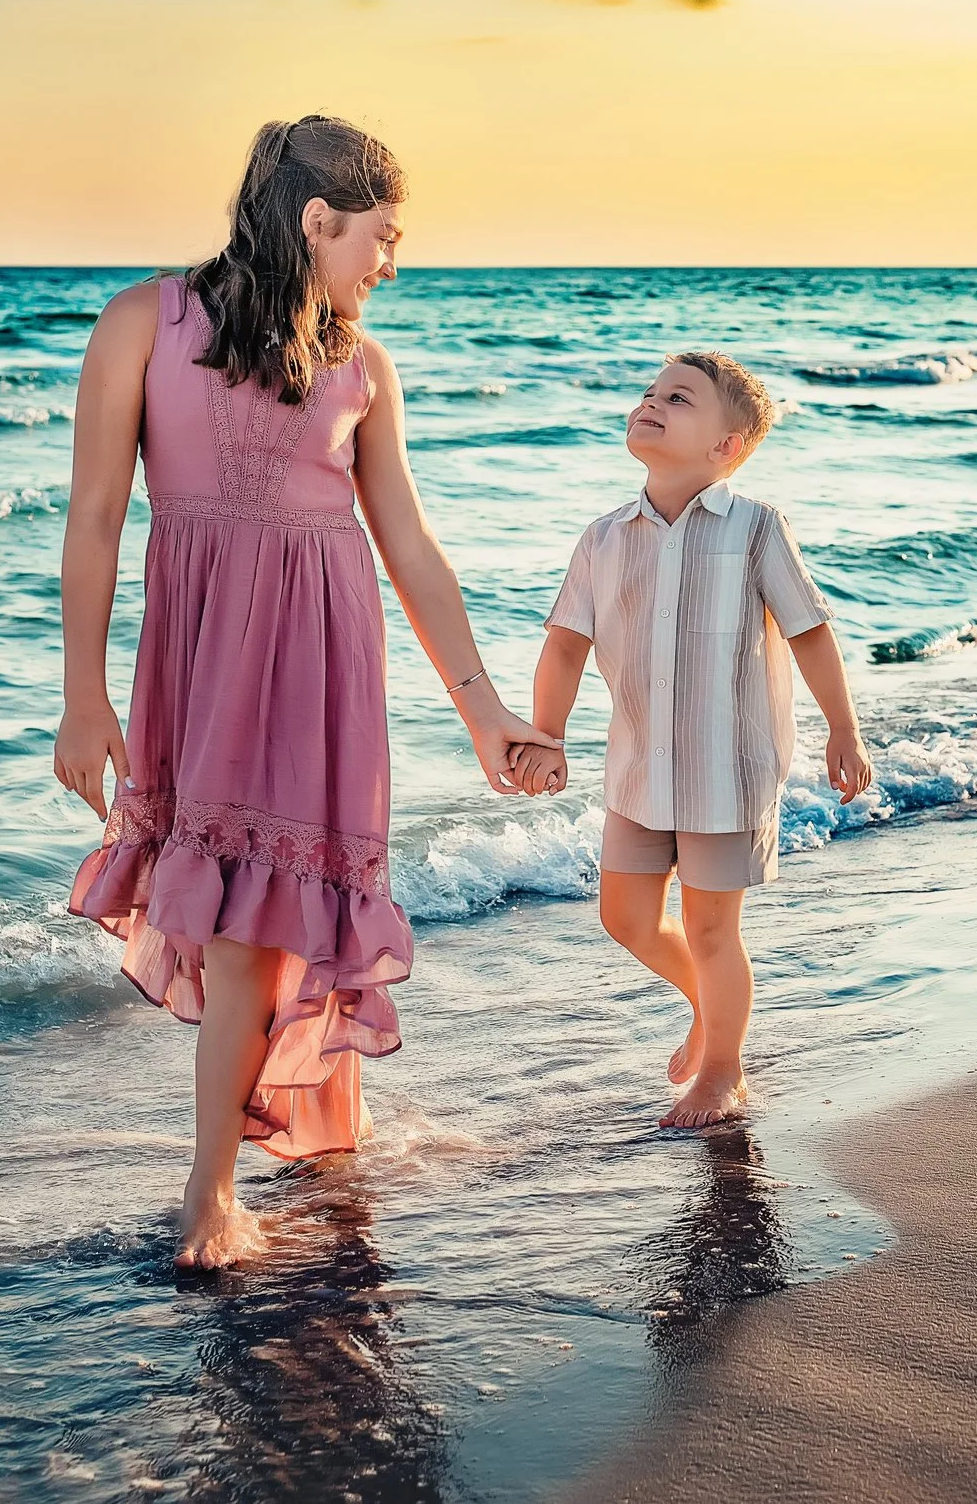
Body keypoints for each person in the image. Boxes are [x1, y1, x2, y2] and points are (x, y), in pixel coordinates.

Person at [52, 116, 558, 1268]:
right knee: (239, 923)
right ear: (316, 221)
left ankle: (281, 1146)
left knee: (275, 917)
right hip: (207, 657)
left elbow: (411, 548)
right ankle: (214, 1188)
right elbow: (94, 518)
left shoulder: (362, 366)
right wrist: (83, 696)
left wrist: (486, 710)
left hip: (325, 664)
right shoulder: (143, 322)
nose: (392, 263)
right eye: (382, 238)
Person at [512, 353, 872, 1127]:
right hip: (639, 769)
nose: (653, 402)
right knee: (626, 917)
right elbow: (567, 644)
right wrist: (546, 733)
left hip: (727, 770)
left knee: (713, 927)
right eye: (650, 392)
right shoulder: (604, 539)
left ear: (727, 447)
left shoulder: (755, 528)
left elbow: (809, 631)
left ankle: (723, 1070)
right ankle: (706, 1006)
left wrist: (843, 728)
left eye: (678, 398)